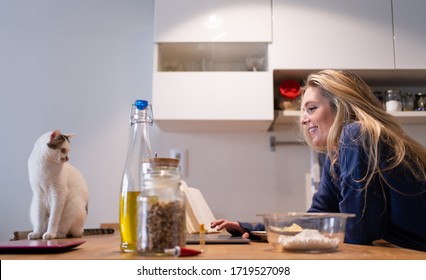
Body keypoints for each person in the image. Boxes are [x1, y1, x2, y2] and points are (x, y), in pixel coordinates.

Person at [211, 69, 426, 251]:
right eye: (303, 111)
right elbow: (315, 218)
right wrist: (252, 228)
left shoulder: (356, 134)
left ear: (340, 106)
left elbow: (359, 231)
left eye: (311, 109)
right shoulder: (336, 157)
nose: (304, 120)